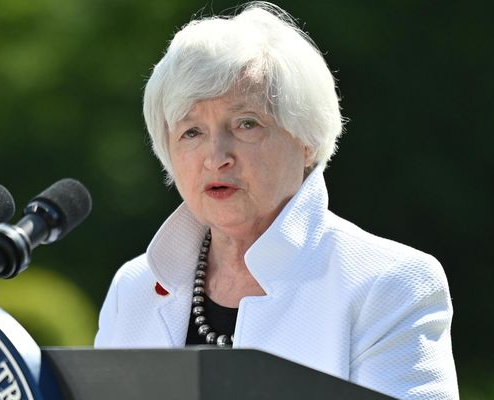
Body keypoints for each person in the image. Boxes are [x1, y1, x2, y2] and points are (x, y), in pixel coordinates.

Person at [94, 2, 458, 398]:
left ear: (306, 140)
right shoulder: (134, 289)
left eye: (246, 123)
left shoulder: (389, 285)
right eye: (192, 132)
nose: (216, 157)